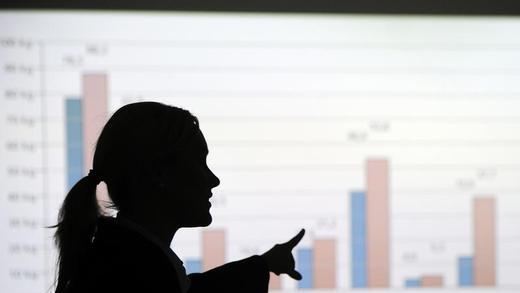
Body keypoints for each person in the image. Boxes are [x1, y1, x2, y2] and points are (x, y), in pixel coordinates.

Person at [52, 102, 305, 293]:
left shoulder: (123, 261)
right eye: (199, 163)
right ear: (160, 175)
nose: (213, 179)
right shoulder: (137, 272)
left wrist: (265, 264)